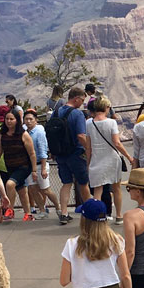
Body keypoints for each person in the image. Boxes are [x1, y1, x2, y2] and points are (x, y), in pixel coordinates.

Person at [87, 97, 132, 224]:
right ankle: (118, 215)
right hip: (112, 158)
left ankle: (97, 216)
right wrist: (129, 157)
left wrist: (88, 163)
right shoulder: (111, 123)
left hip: (96, 159)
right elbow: (117, 143)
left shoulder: (89, 123)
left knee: (97, 189)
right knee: (116, 188)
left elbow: (88, 147)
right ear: (106, 107)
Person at [52, 86, 91, 225]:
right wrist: (88, 150)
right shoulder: (77, 114)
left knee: (66, 183)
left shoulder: (56, 112)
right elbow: (81, 135)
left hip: (60, 154)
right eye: (82, 100)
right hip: (76, 154)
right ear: (76, 98)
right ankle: (89, 212)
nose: (82, 103)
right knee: (83, 183)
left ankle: (64, 213)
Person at [0, 110, 39, 221]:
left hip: (24, 166)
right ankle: (28, 214)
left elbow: (32, 153)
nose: (9, 121)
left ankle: (10, 209)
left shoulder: (23, 134)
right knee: (22, 190)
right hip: (10, 166)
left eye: (11, 119)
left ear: (17, 121)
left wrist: (34, 170)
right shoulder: (1, 135)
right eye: (7, 119)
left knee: (9, 184)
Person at [23, 110, 62, 220]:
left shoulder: (39, 132)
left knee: (45, 189)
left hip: (41, 164)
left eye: (31, 119)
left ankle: (58, 207)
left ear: (36, 120)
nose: (29, 121)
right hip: (29, 165)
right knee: (33, 188)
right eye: (26, 119)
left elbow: (43, 150)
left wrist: (44, 168)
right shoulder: (25, 132)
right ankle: (42, 210)